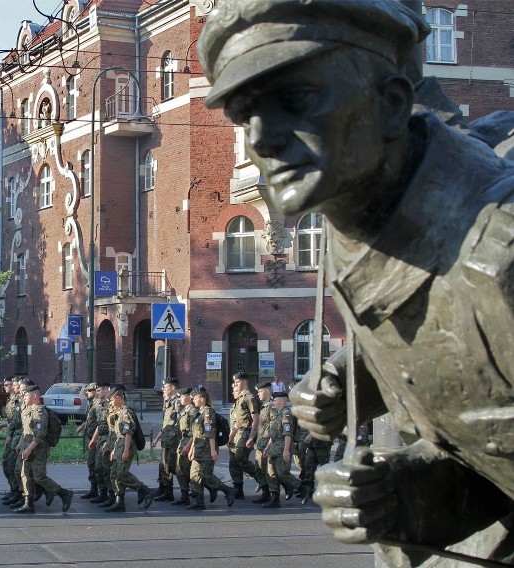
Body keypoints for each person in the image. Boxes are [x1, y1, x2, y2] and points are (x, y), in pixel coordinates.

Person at [199, 0, 513, 560]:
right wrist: (397, 497)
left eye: (297, 98)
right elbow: (485, 457)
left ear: (391, 105)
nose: (263, 138)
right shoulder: (363, 219)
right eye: (246, 114)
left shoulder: (499, 258)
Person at [13, 383, 73, 514]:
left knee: (39, 477)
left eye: (26, 395)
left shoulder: (40, 412)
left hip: (38, 449)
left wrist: (29, 449)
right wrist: (21, 444)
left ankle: (64, 493)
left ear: (34, 396)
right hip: (27, 447)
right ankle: (29, 504)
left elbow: (40, 434)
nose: (24, 398)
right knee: (26, 475)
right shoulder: (28, 410)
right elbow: (26, 431)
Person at [103, 385, 156, 513]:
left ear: (117, 397)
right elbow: (117, 434)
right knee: (114, 474)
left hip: (127, 444)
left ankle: (145, 490)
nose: (110, 403)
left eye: (111, 400)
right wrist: (115, 449)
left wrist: (126, 450)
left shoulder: (126, 412)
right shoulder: (119, 412)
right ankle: (119, 502)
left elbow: (128, 433)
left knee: (122, 473)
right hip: (119, 444)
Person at [186, 386, 233, 510]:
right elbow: (196, 434)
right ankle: (199, 502)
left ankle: (227, 490)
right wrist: (191, 449)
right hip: (198, 449)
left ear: (202, 398)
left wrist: (213, 450)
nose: (193, 401)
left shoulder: (208, 412)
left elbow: (210, 432)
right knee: (194, 476)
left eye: (195, 399)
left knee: (206, 476)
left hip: (207, 450)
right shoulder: (200, 413)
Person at [262, 391, 308, 509]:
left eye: (275, 400)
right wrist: (267, 447)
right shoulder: (276, 414)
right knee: (271, 474)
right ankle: (275, 499)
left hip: (283, 448)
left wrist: (287, 451)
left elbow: (288, 434)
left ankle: (303, 489)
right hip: (273, 448)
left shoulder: (286, 414)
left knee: (283, 473)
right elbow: (273, 435)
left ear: (282, 401)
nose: (272, 402)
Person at [226, 372, 259, 499]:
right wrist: (230, 437)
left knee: (240, 457)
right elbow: (236, 423)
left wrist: (251, 436)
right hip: (237, 433)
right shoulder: (239, 399)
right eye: (235, 383)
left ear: (244, 382)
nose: (236, 385)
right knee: (233, 462)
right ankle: (238, 488)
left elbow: (255, 418)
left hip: (246, 431)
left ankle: (260, 478)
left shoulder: (248, 397)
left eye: (238, 382)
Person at [152, 377, 180, 502]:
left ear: (173, 387)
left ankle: (170, 492)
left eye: (166, 387)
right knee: (163, 466)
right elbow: (165, 423)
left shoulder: (178, 402)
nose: (163, 389)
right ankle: (163, 489)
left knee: (171, 466)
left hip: (174, 440)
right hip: (166, 439)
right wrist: (158, 438)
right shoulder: (168, 402)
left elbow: (181, 422)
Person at [0, 377, 22, 504]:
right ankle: (13, 489)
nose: (5, 386)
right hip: (12, 434)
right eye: (4, 384)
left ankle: (18, 491)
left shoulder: (19, 400)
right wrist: (4, 425)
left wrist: (10, 434)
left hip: (17, 436)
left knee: (12, 464)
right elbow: (12, 420)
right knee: (6, 463)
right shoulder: (11, 399)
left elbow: (18, 422)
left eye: (8, 384)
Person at [87, 382, 113, 506]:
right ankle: (102, 493)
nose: (97, 393)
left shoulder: (112, 404)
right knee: (98, 467)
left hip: (109, 439)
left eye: (99, 390)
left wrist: (108, 442)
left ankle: (112, 496)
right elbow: (100, 423)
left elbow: (113, 427)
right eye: (96, 391)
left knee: (107, 469)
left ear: (106, 390)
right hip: (100, 438)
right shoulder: (101, 403)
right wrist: (93, 439)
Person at [172, 387, 197, 506]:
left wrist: (188, 446)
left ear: (189, 397)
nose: (180, 399)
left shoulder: (193, 411)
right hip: (182, 441)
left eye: (182, 397)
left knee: (189, 470)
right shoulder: (183, 410)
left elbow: (195, 431)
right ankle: (185, 495)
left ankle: (217, 488)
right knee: (180, 469)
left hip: (189, 442)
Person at [74, 382, 99, 499]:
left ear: (95, 391)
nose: (86, 392)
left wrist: (94, 439)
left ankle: (100, 491)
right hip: (90, 437)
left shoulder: (98, 404)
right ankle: (94, 489)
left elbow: (100, 423)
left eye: (89, 391)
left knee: (96, 465)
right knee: (91, 464)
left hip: (96, 440)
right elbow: (91, 420)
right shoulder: (91, 403)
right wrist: (82, 426)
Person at [251, 380, 275, 504]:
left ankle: (274, 496)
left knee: (269, 471)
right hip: (260, 443)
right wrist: (252, 438)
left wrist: (269, 444)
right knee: (259, 469)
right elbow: (261, 426)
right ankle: (265, 493)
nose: (258, 394)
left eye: (260, 391)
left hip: (268, 444)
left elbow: (274, 427)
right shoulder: (264, 406)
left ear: (267, 391)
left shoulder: (272, 406)